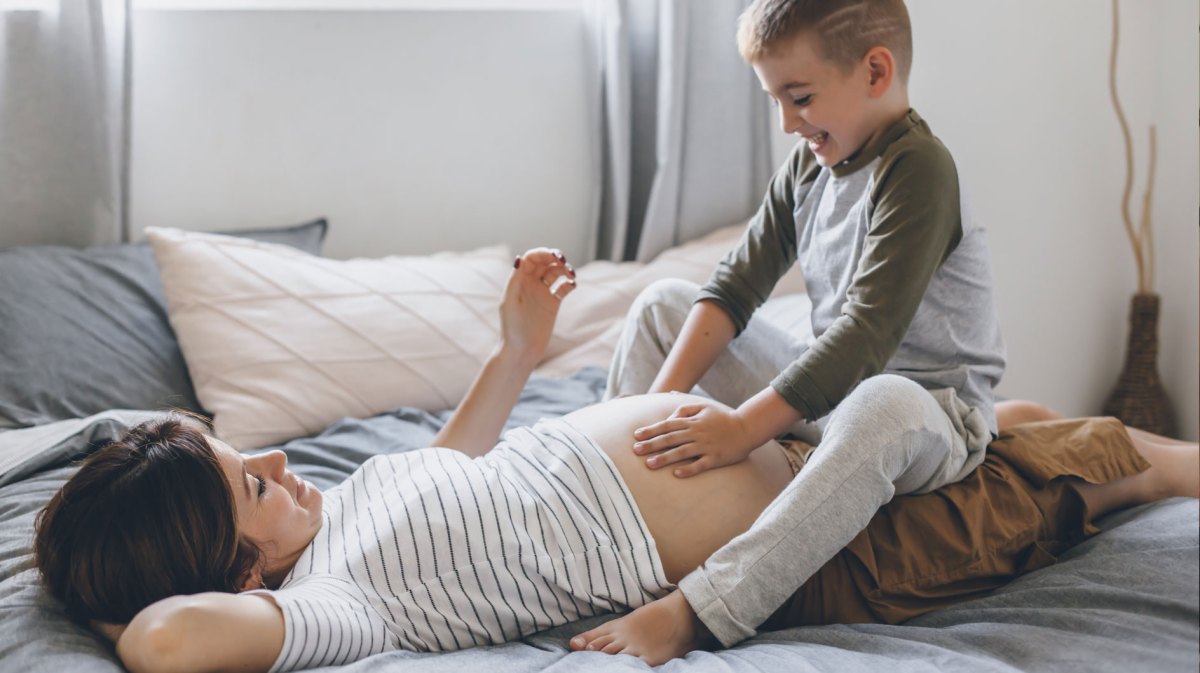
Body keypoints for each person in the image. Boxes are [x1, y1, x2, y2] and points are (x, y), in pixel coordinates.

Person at [33, 249, 1198, 673]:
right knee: (1106, 459)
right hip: (829, 542)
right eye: (251, 482)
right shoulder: (335, 604)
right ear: (238, 573)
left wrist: (517, 352)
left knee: (1020, 417)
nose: (281, 459)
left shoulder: (357, 505)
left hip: (789, 451)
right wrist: (118, 600)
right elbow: (172, 641)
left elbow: (452, 460)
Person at [596, 0, 1005, 659]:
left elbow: (867, 335)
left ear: (875, 71)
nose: (786, 122)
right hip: (830, 393)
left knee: (883, 398)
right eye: (774, 100)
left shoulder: (919, 169)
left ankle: (700, 608)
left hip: (930, 410)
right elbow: (735, 287)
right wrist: (659, 406)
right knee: (664, 302)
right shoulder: (809, 167)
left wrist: (740, 429)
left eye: (800, 96)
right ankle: (597, 491)